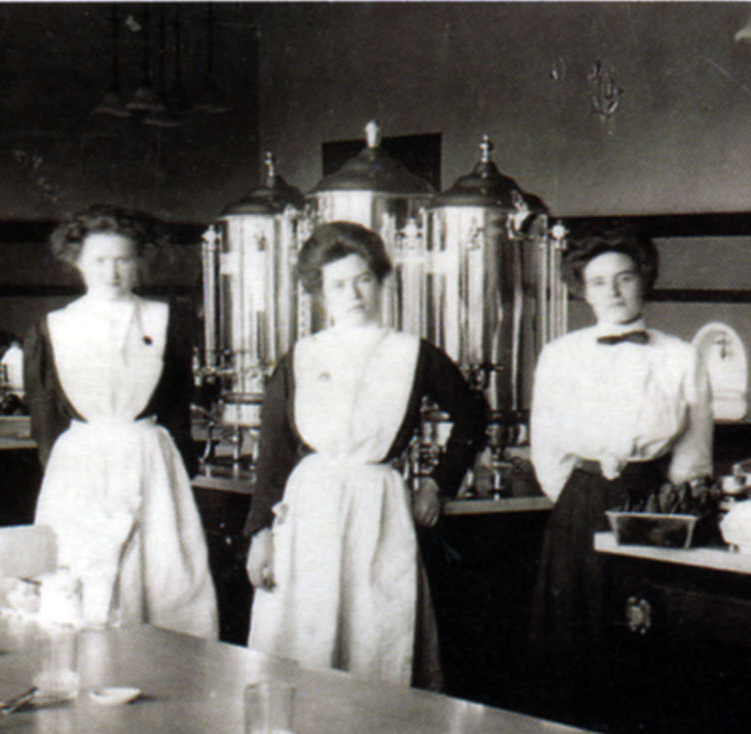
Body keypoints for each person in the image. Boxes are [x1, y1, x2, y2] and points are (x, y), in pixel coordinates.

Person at [245, 223, 487, 687]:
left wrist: (439, 483)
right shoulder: (300, 357)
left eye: (363, 280)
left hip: (378, 506)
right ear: (319, 293)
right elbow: (273, 452)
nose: (354, 294)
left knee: (377, 633)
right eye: (338, 284)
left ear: (381, 282)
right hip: (309, 509)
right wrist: (260, 534)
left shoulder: (412, 353)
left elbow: (472, 416)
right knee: (303, 634)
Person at [24, 204, 217, 637]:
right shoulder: (54, 327)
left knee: (161, 574)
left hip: (150, 461)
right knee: (82, 578)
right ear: (77, 262)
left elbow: (176, 407)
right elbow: (46, 420)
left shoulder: (166, 320)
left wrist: (174, 472)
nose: (111, 272)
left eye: (123, 260)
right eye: (99, 261)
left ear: (139, 262)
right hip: (80, 465)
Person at [529, 225, 712, 671]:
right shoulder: (560, 354)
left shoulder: (682, 356)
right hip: (582, 500)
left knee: (642, 633)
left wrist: (665, 505)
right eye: (598, 282)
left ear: (643, 280)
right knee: (577, 634)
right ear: (583, 291)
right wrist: (582, 496)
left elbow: (694, 450)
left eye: (624, 278)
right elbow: (548, 448)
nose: (612, 291)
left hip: (652, 503)